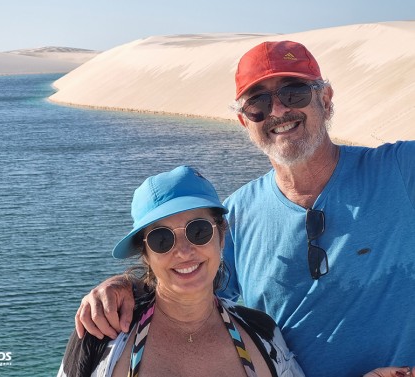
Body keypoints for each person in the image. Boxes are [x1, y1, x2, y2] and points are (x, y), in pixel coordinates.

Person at [73, 41, 415, 376]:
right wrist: (125, 286)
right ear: (244, 121)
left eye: (294, 92)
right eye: (258, 103)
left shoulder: (400, 169)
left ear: (325, 99)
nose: (278, 111)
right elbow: (187, 288)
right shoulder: (232, 217)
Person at [57, 165, 306, 376]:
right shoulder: (100, 337)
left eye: (198, 231)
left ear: (221, 236)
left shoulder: (263, 334)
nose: (184, 251)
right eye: (161, 239)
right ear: (145, 253)